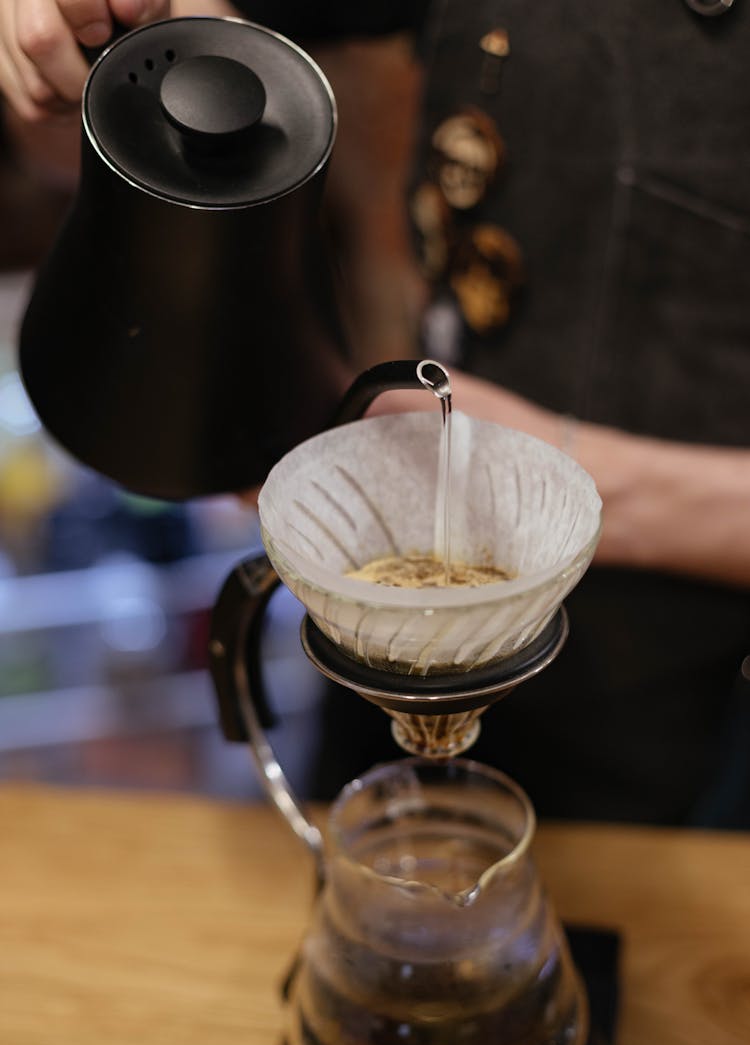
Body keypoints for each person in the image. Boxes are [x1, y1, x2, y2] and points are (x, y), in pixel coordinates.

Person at [1, 1, 749, 825]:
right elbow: (195, 56)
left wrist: (550, 474)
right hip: (394, 604)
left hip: (690, 718)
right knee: (371, 860)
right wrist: (83, 46)